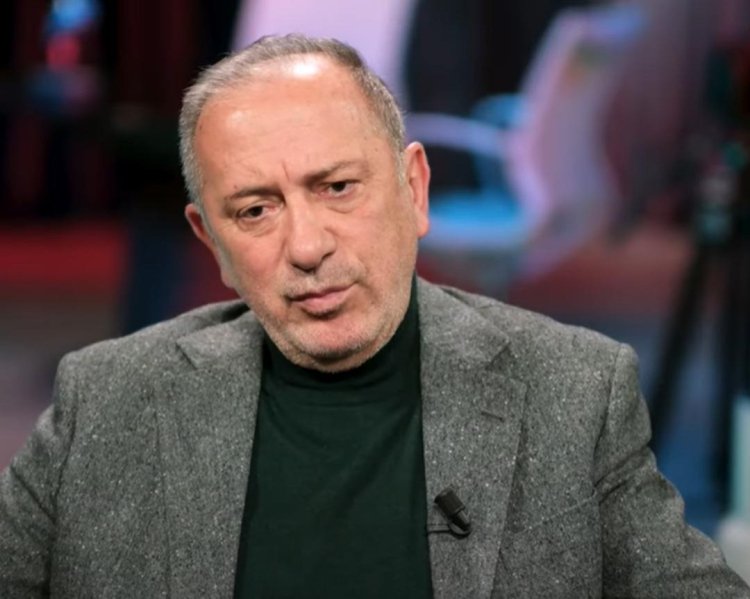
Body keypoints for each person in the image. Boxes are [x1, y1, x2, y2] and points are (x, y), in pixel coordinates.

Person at [1, 35, 748, 599]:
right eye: (256, 210)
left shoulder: (573, 391)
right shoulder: (106, 401)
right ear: (213, 243)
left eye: (337, 188)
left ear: (413, 189)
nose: (307, 247)